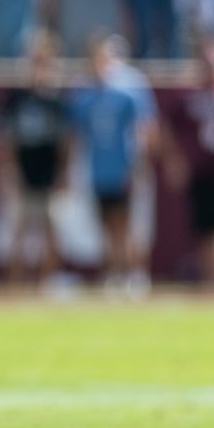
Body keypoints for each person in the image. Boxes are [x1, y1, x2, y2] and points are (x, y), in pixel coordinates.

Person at [67, 35, 150, 295]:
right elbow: (76, 134)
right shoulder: (84, 94)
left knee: (125, 224)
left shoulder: (128, 91)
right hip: (98, 168)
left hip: (122, 166)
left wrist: (139, 165)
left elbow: (142, 129)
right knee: (105, 225)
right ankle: (113, 273)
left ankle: (134, 274)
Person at [0, 33, 68, 285]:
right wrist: (10, 169)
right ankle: (16, 282)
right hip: (24, 170)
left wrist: (64, 172)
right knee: (19, 229)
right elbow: (6, 138)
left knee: (51, 229)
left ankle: (47, 281)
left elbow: (66, 141)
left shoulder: (57, 100)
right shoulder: (16, 98)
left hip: (48, 171)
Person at [159, 37, 214, 287]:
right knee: (206, 232)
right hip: (203, 173)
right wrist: (174, 161)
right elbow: (166, 127)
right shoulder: (188, 95)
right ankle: (211, 284)